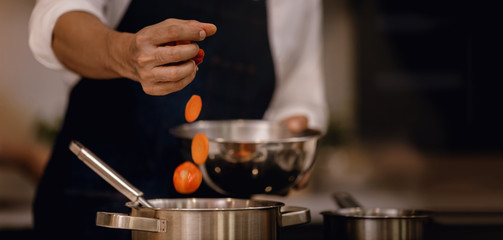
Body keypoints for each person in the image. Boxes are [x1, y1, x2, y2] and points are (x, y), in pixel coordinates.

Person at [29, 0, 328, 239]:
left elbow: (296, 94)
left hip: (227, 224)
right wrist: (124, 53)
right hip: (101, 209)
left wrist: (289, 151)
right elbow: (57, 22)